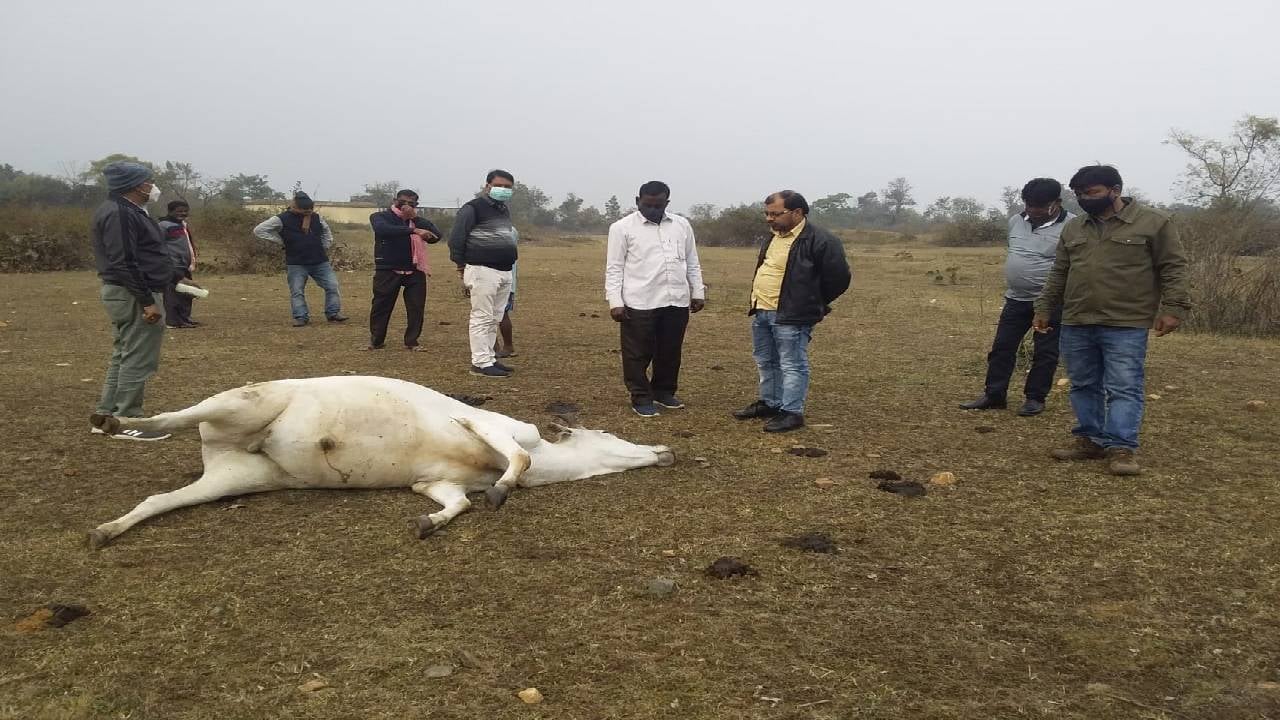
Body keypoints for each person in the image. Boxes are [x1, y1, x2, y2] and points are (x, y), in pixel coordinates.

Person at [1033, 165, 1191, 475]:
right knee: (1083, 384)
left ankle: (1121, 448)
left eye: (1092, 193)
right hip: (1078, 318)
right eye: (1079, 194)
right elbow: (1060, 272)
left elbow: (1174, 266)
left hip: (1126, 321)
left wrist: (1174, 308)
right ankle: (1090, 439)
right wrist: (1044, 307)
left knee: (1124, 386)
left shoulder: (1154, 223)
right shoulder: (1074, 228)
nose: (1085, 199)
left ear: (1115, 190)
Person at [733, 190, 851, 433]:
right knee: (766, 361)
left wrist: (812, 302)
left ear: (797, 212)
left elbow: (839, 278)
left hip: (792, 315)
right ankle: (771, 403)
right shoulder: (773, 237)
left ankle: (792, 412)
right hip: (762, 311)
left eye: (775, 213)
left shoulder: (821, 240)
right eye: (766, 213)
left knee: (792, 363)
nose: (769, 218)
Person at [960, 178, 1072, 416]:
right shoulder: (1015, 221)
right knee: (1002, 347)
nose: (1033, 210)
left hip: (1052, 302)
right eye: (1029, 204)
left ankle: (1035, 398)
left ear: (1057, 203)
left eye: (1040, 205)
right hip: (1016, 299)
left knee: (1045, 352)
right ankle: (994, 394)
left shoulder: (1073, 225)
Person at [87, 161, 173, 441]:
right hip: (133, 294)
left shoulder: (129, 211)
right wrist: (147, 300)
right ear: (137, 186)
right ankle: (128, 421)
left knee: (124, 355)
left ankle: (107, 417)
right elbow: (124, 261)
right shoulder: (121, 213)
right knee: (138, 358)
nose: (153, 186)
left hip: (130, 292)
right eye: (149, 181)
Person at [604, 181, 705, 417]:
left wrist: (697, 292)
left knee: (670, 350)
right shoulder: (622, 228)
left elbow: (692, 261)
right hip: (640, 300)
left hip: (675, 299)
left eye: (658, 205)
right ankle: (640, 395)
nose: (652, 209)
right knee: (637, 352)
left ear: (666, 203)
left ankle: (663, 391)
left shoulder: (681, 225)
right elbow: (615, 267)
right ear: (637, 200)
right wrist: (615, 302)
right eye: (647, 204)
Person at [449, 170, 519, 377]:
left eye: (508, 187)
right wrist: (461, 265)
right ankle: (479, 363)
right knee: (481, 317)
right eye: (500, 185)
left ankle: (490, 358)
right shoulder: (472, 208)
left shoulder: (503, 210)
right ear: (487, 186)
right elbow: (456, 239)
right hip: (482, 269)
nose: (504, 190)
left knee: (494, 318)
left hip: (504, 271)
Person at [253, 192, 348, 327]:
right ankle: (301, 317)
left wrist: (325, 246)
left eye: (309, 209)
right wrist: (281, 241)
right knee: (297, 291)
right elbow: (259, 230)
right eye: (305, 209)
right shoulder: (281, 219)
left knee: (332, 286)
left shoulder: (316, 217)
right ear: (295, 206)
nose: (308, 212)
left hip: (320, 261)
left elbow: (326, 231)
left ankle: (333, 313)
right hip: (296, 262)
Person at [367, 189, 442, 350]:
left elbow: (436, 236)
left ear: (416, 205)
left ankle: (412, 341)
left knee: (416, 307)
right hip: (388, 267)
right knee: (381, 305)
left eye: (411, 203)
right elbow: (383, 230)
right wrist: (413, 230)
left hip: (415, 269)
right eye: (403, 202)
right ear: (395, 200)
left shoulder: (417, 221)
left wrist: (414, 219)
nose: (406, 206)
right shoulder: (380, 217)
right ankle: (376, 340)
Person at [158, 200, 199, 329]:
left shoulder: (183, 225)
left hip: (184, 264)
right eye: (179, 211)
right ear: (170, 211)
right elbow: (159, 245)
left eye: (185, 211)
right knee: (173, 294)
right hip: (173, 266)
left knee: (187, 292)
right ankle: (173, 321)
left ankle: (184, 318)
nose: (183, 213)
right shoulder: (163, 225)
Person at [495, 259, 517, 358]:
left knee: (488, 314)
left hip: (496, 281)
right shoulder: (509, 244)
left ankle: (503, 347)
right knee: (502, 313)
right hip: (508, 281)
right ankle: (502, 346)